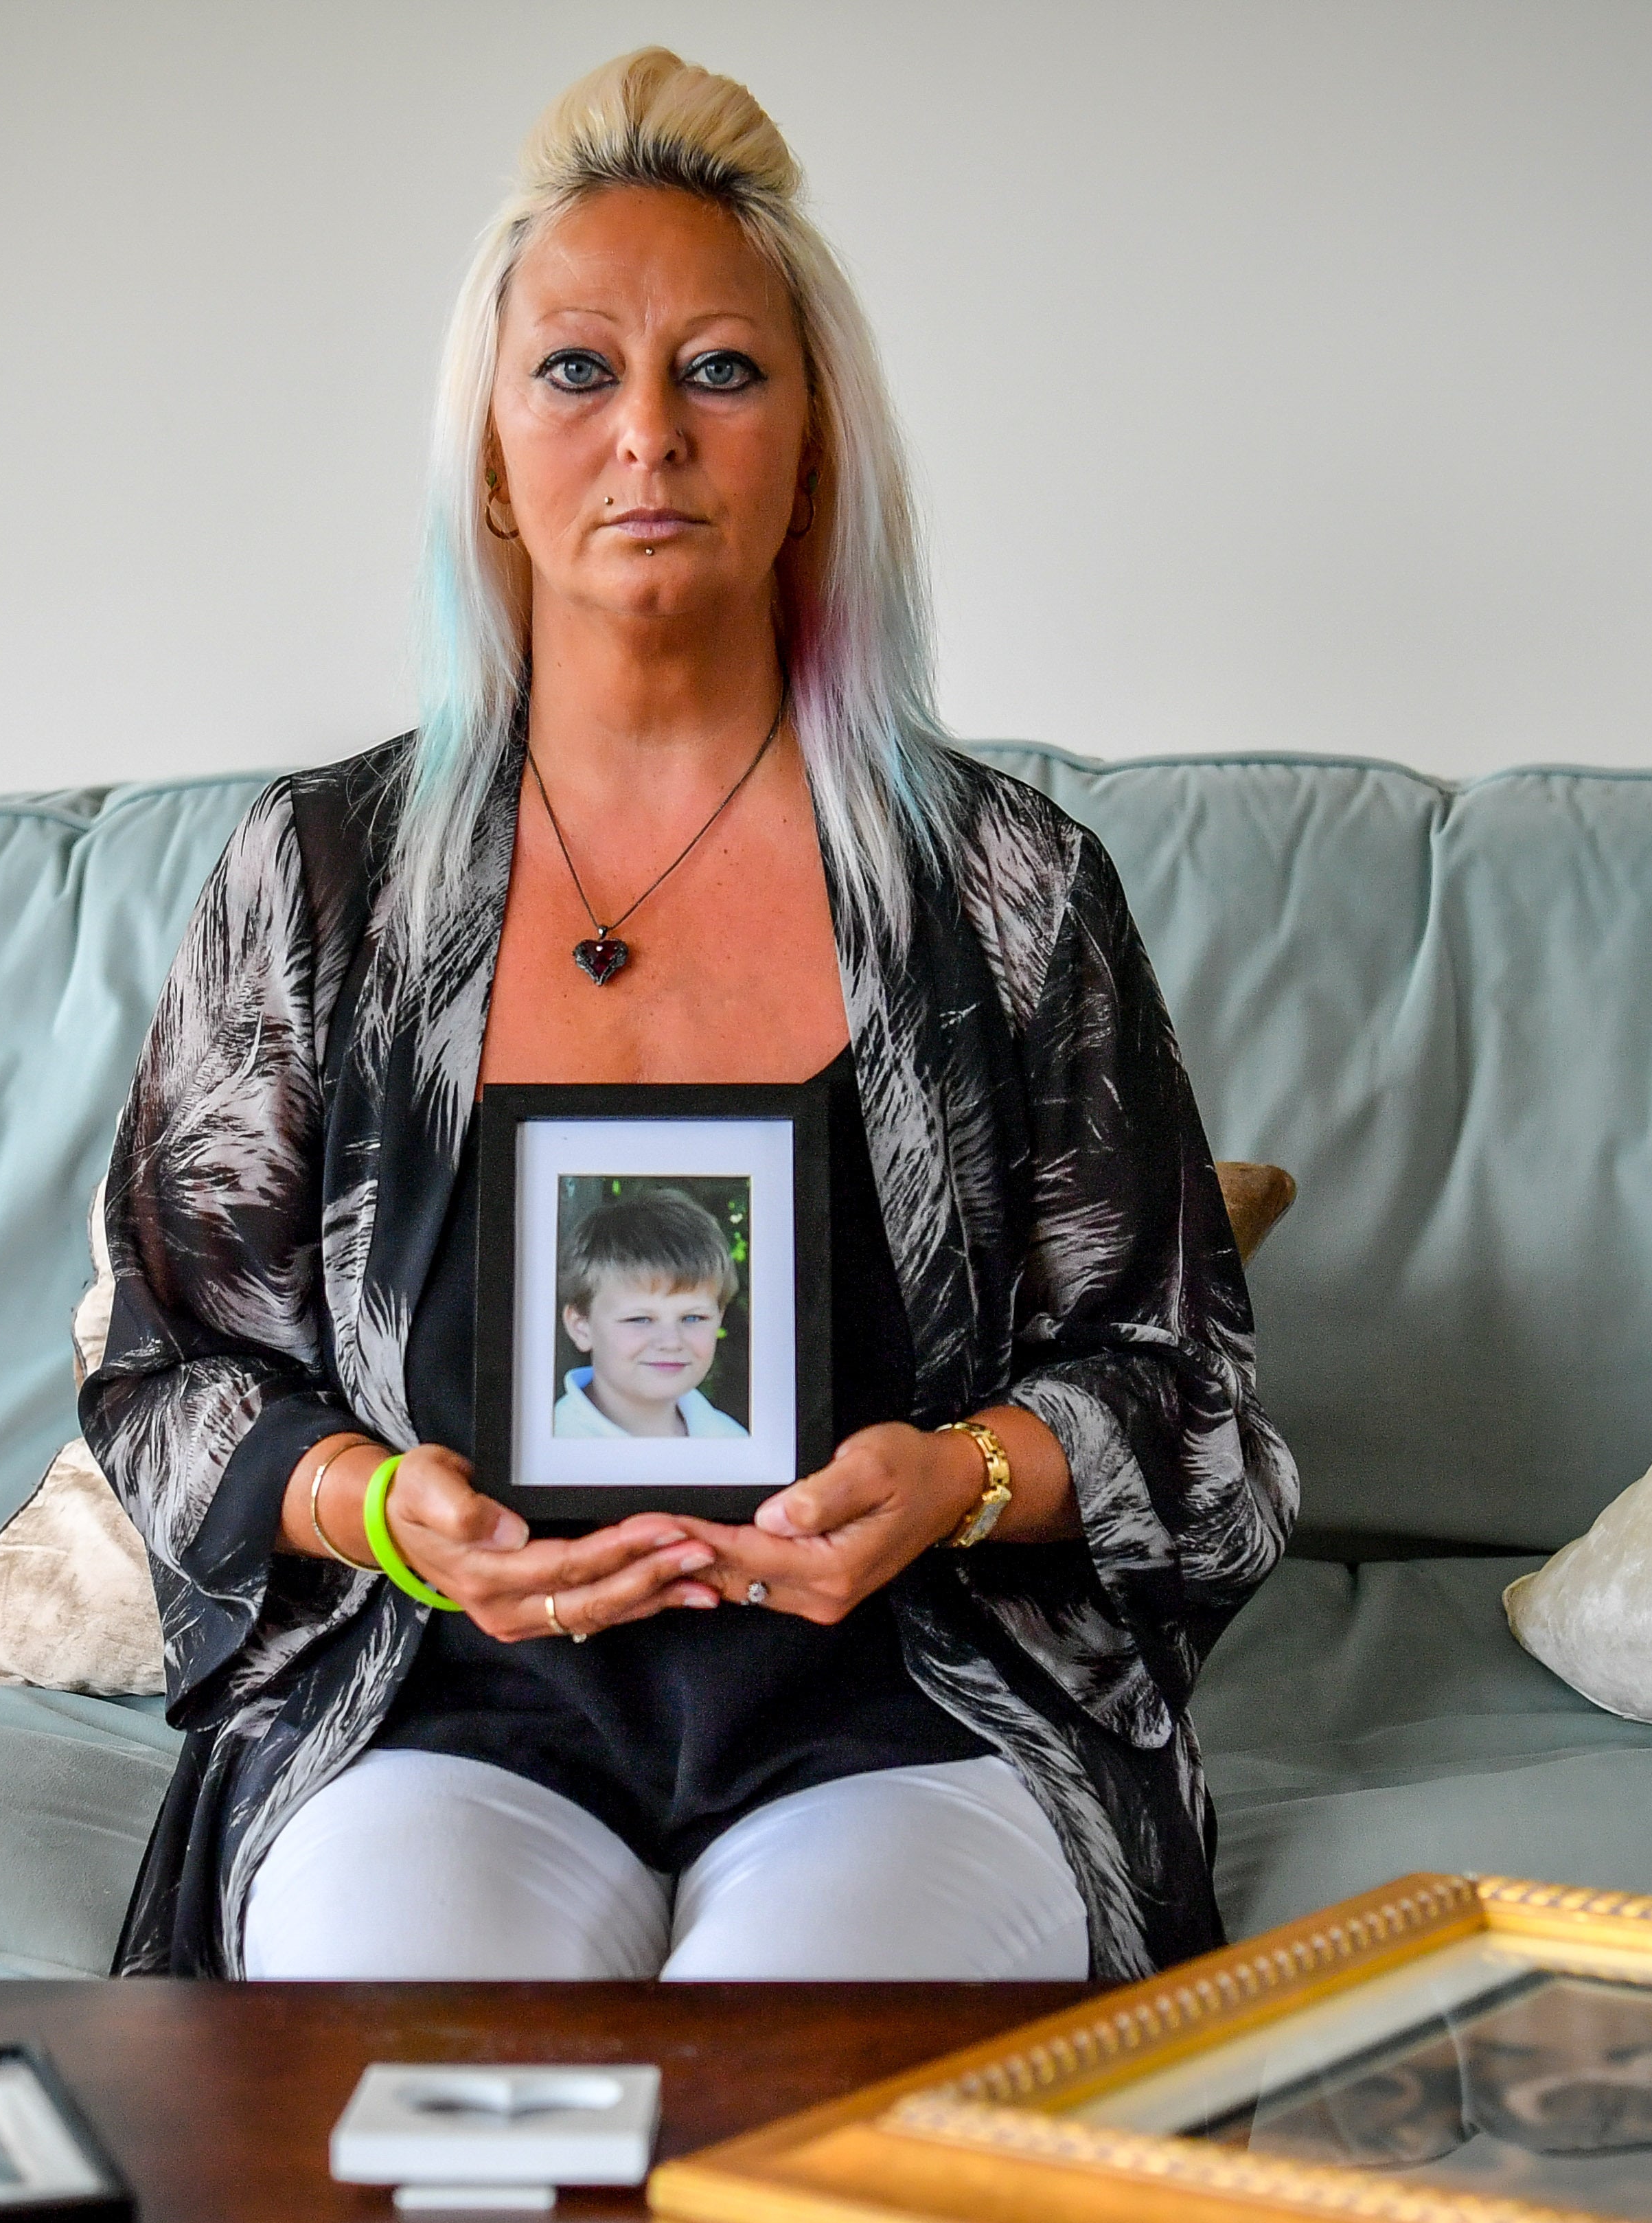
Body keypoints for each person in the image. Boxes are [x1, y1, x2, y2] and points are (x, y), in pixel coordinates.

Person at [83, 47, 1293, 1984]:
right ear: (491, 448)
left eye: (721, 370)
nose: (648, 434)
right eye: (578, 370)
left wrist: (959, 1481)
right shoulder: (313, 880)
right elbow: (171, 1376)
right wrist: (386, 1513)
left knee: (787, 2142)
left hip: (913, 1707)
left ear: (814, 443)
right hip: (441, 1709)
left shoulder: (1009, 888)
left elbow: (1195, 1403)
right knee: (425, 2110)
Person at [553, 1186, 747, 1439]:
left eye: (693, 1318)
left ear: (719, 1318)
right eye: (640, 1319)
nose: (671, 1342)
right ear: (581, 1327)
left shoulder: (733, 1441)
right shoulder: (554, 1444)